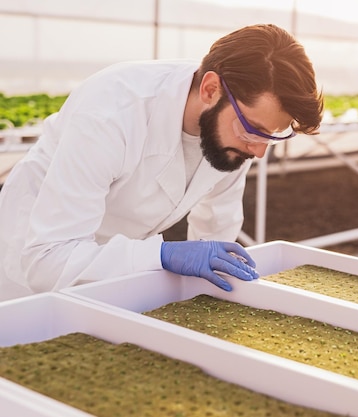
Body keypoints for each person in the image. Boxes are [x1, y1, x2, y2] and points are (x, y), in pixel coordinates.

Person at [0, 24, 324, 301]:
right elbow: (49, 260)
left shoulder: (235, 133)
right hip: (28, 267)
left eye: (271, 137)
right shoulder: (113, 112)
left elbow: (216, 226)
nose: (258, 152)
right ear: (211, 89)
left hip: (118, 267)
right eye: (253, 131)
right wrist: (162, 255)